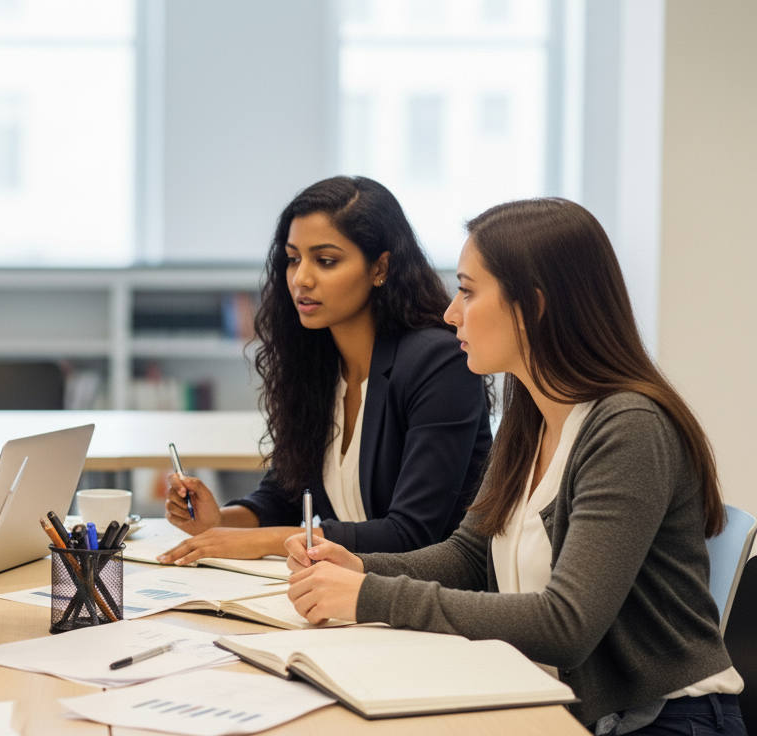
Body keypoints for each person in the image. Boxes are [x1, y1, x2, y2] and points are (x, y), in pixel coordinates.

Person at [284, 198, 744, 734]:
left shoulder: (628, 428)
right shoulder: (531, 415)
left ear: (534, 306)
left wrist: (370, 597)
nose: (451, 312)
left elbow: (565, 624)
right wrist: (361, 568)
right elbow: (469, 557)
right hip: (569, 708)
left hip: (666, 720)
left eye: (468, 291)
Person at [161, 176, 491, 564]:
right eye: (293, 258)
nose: (301, 278)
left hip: (425, 598)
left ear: (380, 267)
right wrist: (221, 521)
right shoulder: (317, 360)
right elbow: (284, 494)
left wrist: (262, 542)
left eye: (326, 260)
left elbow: (413, 533)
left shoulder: (438, 363)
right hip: (345, 589)